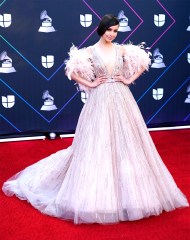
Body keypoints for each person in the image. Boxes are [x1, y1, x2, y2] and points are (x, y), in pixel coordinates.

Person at [2, 14, 189, 224]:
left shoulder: (122, 49)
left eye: (116, 31)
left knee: (128, 144)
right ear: (101, 29)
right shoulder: (89, 52)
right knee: (98, 143)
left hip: (122, 98)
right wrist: (90, 84)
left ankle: (129, 194)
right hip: (98, 100)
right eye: (109, 30)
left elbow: (144, 61)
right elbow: (71, 71)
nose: (112, 34)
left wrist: (128, 79)